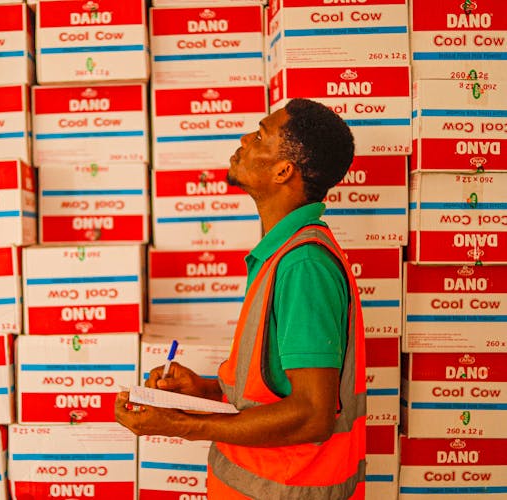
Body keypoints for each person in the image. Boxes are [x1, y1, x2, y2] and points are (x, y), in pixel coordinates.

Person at [115, 98, 366, 499]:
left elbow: (313, 415)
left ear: (284, 170)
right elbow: (275, 390)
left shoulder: (303, 266)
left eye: (261, 134)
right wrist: (208, 391)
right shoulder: (281, 255)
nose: (246, 138)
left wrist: (181, 425)